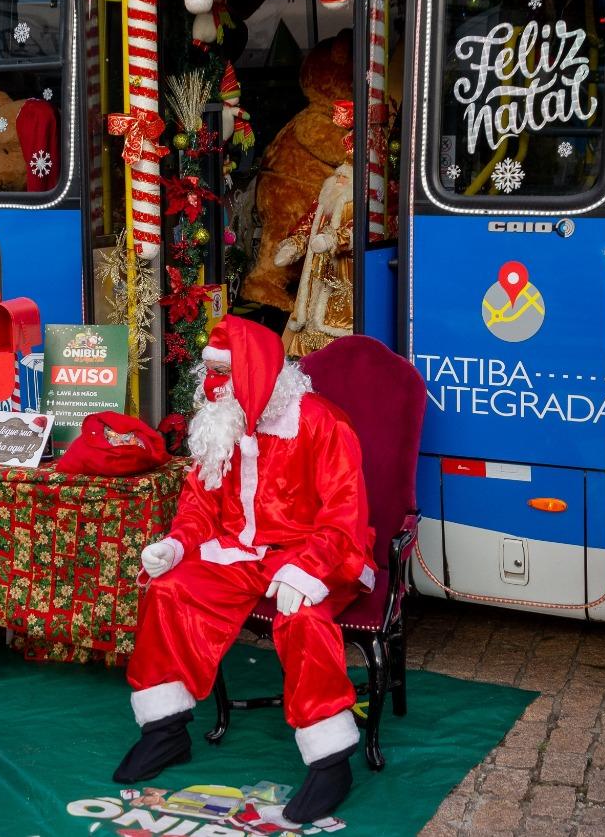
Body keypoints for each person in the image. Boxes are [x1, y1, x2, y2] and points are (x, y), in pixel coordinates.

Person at [115, 316, 375, 824]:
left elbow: (345, 516)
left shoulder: (322, 423)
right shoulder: (224, 421)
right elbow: (198, 501)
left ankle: (330, 763)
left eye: (220, 375)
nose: (209, 387)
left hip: (313, 553)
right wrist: (176, 542)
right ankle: (165, 733)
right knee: (168, 590)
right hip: (237, 552)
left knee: (303, 620)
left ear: (255, 375)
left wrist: (307, 569)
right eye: (208, 374)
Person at [276, 164, 354, 357]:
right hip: (315, 272)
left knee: (334, 321)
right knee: (310, 314)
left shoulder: (357, 204)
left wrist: (333, 239)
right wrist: (293, 246)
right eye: (337, 175)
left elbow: (355, 230)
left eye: (344, 177)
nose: (339, 180)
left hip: (340, 273)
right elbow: (306, 225)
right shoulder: (322, 201)